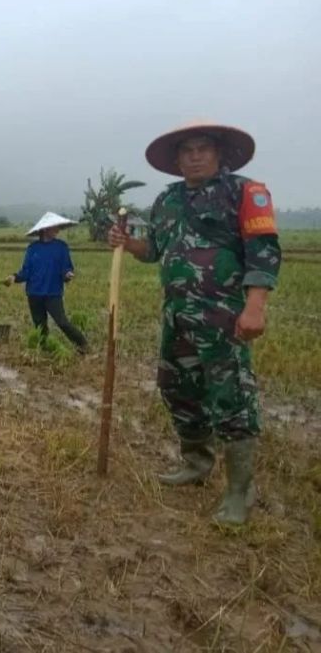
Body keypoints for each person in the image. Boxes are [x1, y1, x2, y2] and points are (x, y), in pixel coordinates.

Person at [108, 122, 280, 526]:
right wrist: (127, 243)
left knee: (231, 396)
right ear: (177, 159)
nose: (196, 156)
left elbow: (263, 252)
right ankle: (196, 462)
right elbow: (154, 250)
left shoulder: (245, 192)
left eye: (204, 148)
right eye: (187, 150)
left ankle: (240, 491)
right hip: (177, 315)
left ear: (220, 154)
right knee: (176, 386)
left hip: (224, 318)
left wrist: (255, 307)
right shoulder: (167, 200)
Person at [4, 212, 88, 353]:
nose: (57, 230)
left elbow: (66, 268)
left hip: (53, 293)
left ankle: (83, 346)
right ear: (45, 229)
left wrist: (67, 275)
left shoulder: (61, 247)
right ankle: (43, 350)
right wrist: (14, 277)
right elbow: (26, 272)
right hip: (34, 293)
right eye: (54, 227)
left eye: (58, 227)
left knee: (62, 322)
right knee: (40, 325)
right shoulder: (32, 249)